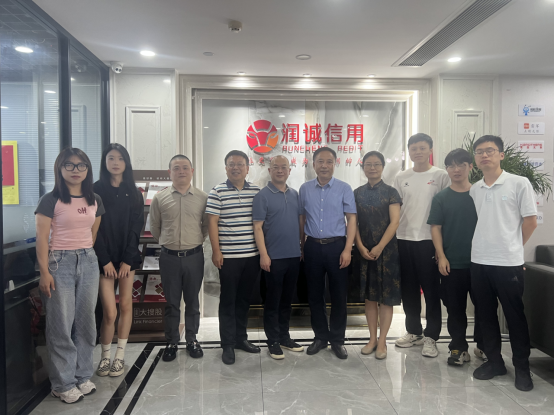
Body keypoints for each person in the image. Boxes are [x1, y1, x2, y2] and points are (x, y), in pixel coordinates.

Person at [35, 148, 105, 404]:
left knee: (86, 322)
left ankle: (82, 376)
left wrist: (84, 256)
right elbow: (42, 238)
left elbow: (92, 234)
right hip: (59, 262)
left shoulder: (95, 199)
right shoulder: (50, 199)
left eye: (81, 165)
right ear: (60, 168)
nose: (76, 170)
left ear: (88, 169)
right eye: (70, 165)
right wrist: (44, 272)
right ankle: (62, 384)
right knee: (61, 324)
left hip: (88, 260)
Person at [470, 135, 537, 392]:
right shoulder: (475, 189)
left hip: (508, 263)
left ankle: (522, 368)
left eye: (489, 150)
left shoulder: (519, 183)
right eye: (479, 152)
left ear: (501, 155)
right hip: (479, 260)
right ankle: (495, 362)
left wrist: (513, 248)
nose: (484, 155)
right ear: (475, 159)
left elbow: (530, 221)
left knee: (514, 316)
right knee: (485, 315)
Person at [393, 133, 450, 358]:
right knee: (408, 290)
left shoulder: (440, 175)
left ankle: (432, 336)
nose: (418, 152)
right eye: (414, 148)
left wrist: (441, 247)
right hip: (404, 238)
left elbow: (445, 210)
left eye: (422, 148)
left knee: (431, 290)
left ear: (430, 150)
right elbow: (397, 208)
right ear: (409, 152)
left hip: (429, 240)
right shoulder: (401, 177)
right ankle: (414, 331)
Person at [427, 148, 485, 367]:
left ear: (471, 167)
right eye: (451, 165)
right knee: (455, 308)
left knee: (484, 307)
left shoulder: (481, 193)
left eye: (461, 164)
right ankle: (458, 348)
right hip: (452, 263)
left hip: (481, 263)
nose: (456, 169)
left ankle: (484, 346)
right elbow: (435, 228)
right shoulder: (441, 197)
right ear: (447, 169)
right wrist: (441, 256)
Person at [299, 147, 357, 360]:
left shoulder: (344, 188)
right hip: (312, 246)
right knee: (315, 295)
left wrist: (348, 248)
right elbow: (302, 218)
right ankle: (320, 337)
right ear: (313, 164)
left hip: (337, 246)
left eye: (329, 161)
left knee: (339, 295)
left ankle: (338, 340)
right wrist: (302, 245)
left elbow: (352, 218)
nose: (324, 165)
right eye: (320, 161)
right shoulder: (305, 189)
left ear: (335, 164)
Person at [150, 155, 209, 362]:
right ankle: (172, 341)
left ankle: (192, 339)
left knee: (192, 302)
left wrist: (193, 241)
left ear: (192, 171)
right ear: (170, 172)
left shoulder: (202, 197)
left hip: (194, 256)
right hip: (169, 258)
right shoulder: (160, 198)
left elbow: (205, 226)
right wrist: (170, 243)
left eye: (185, 167)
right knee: (172, 303)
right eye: (176, 168)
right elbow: (155, 227)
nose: (181, 171)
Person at [206, 150, 261, 365]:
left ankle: (241, 339)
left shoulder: (256, 191)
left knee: (244, 300)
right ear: (226, 168)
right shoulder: (217, 191)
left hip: (252, 257)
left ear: (247, 168)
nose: (235, 168)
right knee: (228, 300)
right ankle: (227, 344)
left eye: (240, 164)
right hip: (228, 257)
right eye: (231, 164)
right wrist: (216, 251)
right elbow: (212, 223)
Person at [94, 144, 144, 377]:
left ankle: (120, 356)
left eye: (120, 158)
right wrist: (104, 260)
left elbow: (136, 228)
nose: (115, 162)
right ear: (104, 162)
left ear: (126, 163)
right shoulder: (94, 191)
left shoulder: (134, 192)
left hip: (127, 258)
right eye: (111, 158)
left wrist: (127, 260)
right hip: (103, 258)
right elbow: (93, 230)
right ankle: (105, 356)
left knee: (125, 305)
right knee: (109, 311)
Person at [253, 155, 304, 360]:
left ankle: (284, 337)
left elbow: (300, 223)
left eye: (284, 167)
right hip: (273, 258)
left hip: (294, 257)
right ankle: (272, 341)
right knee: (272, 302)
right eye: (276, 167)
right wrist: (264, 255)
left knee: (287, 301)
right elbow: (257, 227)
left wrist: (301, 248)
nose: (280, 170)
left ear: (289, 171)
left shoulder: (295, 194)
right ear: (270, 170)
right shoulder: (262, 196)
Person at [354, 151, 402, 361]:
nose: (372, 168)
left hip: (387, 251)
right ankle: (372, 339)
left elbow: (395, 222)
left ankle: (383, 341)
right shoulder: (357, 193)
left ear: (382, 167)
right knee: (370, 297)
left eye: (376, 164)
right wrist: (360, 246)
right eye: (368, 164)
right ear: (363, 167)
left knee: (386, 298)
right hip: (364, 251)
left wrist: (380, 247)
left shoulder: (391, 192)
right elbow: (352, 222)